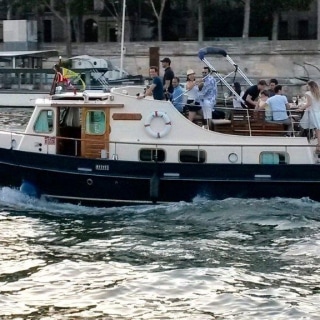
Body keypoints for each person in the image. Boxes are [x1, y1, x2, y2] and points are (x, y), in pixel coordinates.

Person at [298, 80, 320, 150]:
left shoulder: (308, 93)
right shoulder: (318, 92)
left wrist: (300, 108)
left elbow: (309, 103)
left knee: (316, 129)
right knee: (318, 129)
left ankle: (318, 145)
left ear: (310, 86)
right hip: (318, 112)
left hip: (312, 112)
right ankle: (318, 144)